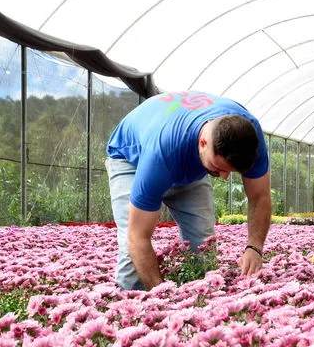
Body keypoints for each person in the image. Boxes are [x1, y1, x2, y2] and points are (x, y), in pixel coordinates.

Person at [105, 90, 271, 290]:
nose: (224, 177)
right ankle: (131, 309)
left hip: (186, 158)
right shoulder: (160, 154)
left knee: (203, 244)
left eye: (232, 171)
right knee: (130, 255)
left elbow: (259, 197)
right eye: (218, 168)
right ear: (203, 143)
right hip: (131, 159)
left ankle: (198, 304)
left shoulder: (249, 138)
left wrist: (254, 247)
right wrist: (161, 295)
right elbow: (137, 237)